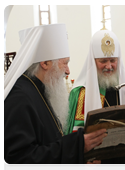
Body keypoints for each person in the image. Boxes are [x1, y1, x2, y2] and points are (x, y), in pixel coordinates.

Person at [4, 24, 107, 170]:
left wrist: (78, 158)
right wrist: (77, 146)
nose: (68, 71)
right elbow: (20, 161)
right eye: (65, 63)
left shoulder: (39, 90)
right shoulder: (19, 98)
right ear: (45, 63)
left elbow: (47, 145)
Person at [66, 29, 125, 170]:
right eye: (103, 61)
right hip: (96, 164)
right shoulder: (80, 93)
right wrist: (81, 157)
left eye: (113, 60)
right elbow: (73, 134)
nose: (109, 66)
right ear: (93, 61)